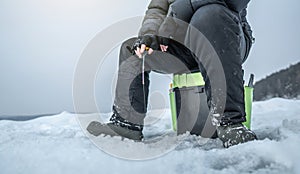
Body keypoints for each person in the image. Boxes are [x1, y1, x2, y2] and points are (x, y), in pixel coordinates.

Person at [87, 0, 257, 147]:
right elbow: (157, 11)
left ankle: (230, 123)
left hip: (224, 33)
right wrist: (150, 35)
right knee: (132, 49)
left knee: (208, 15)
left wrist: (176, 14)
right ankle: (126, 124)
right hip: (183, 42)